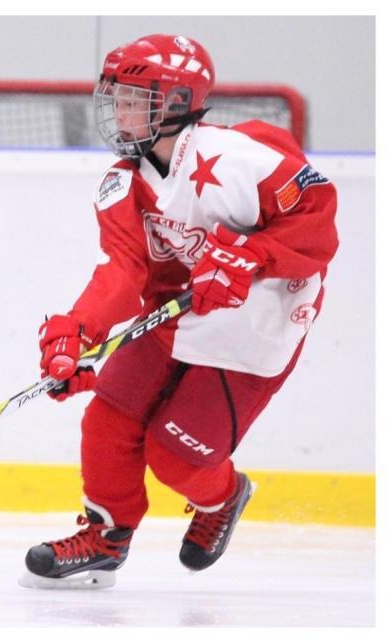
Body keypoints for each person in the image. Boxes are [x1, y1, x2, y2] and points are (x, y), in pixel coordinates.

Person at [19, 34, 339, 589]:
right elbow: (124, 270)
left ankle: (225, 495)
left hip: (256, 326)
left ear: (172, 102)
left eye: (132, 97)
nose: (116, 109)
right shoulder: (122, 183)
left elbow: (317, 219)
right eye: (115, 95)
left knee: (175, 459)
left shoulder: (239, 156)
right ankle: (105, 537)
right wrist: (79, 332)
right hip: (179, 315)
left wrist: (251, 256)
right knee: (108, 419)